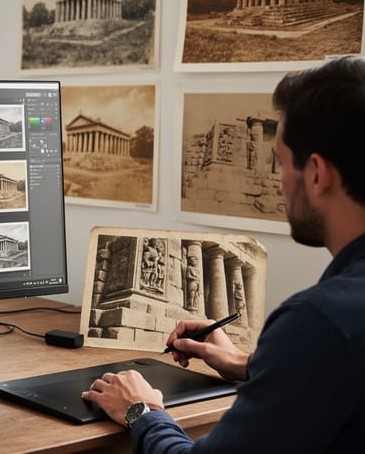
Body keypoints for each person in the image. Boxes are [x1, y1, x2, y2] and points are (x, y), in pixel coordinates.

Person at [81, 55, 365, 453]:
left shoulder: (319, 323)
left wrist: (140, 410)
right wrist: (249, 364)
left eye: (280, 162)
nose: (280, 182)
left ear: (317, 173)